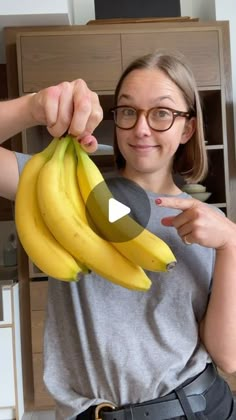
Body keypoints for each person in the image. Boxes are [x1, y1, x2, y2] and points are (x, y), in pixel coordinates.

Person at [1, 50, 236, 420]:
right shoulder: (61, 192)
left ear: (187, 128)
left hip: (192, 409)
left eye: (162, 113)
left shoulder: (210, 226)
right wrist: (33, 107)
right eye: (128, 111)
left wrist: (232, 246)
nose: (141, 128)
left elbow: (227, 355)